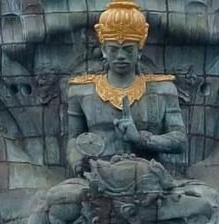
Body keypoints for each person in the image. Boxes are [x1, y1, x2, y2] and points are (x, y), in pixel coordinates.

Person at [66, 0, 187, 174]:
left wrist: (141, 139)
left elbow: (180, 140)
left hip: (150, 175)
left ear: (140, 51)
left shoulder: (163, 89)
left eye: (128, 50)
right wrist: (77, 161)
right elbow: (73, 139)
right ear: (104, 51)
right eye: (114, 49)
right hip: (100, 175)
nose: (121, 56)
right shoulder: (80, 91)